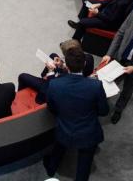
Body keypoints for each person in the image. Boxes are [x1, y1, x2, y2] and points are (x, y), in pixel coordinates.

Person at [43, 49, 110, 181]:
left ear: (66, 66)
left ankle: (51, 169)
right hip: (88, 134)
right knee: (84, 168)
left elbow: (52, 108)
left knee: (58, 149)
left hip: (64, 130)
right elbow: (104, 111)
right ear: (84, 64)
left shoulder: (54, 84)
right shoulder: (96, 86)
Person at [17, 39, 95, 104]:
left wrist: (51, 72)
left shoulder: (61, 82)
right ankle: (44, 75)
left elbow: (40, 99)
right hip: (72, 75)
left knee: (22, 76)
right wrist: (62, 65)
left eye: (64, 57)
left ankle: (18, 98)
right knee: (53, 55)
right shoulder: (89, 58)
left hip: (54, 83)